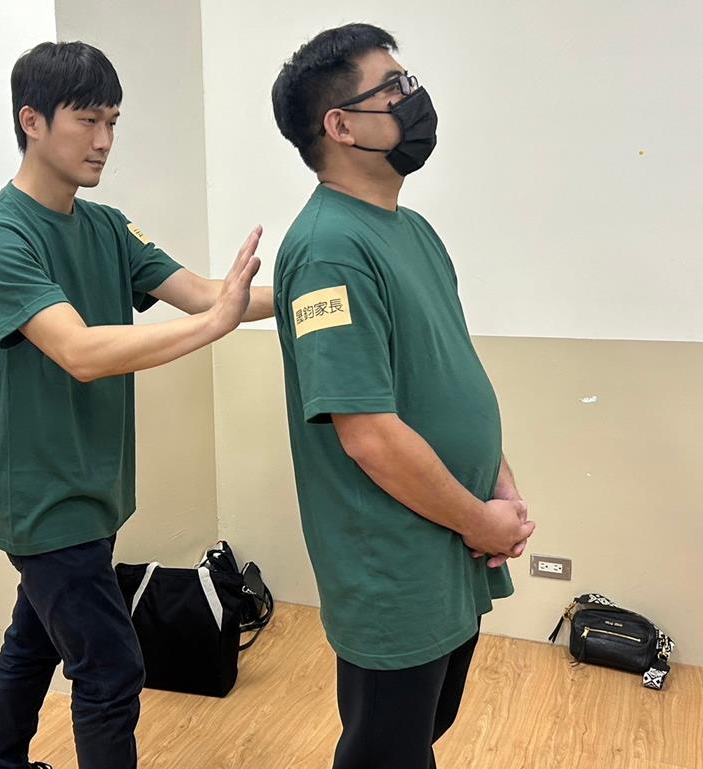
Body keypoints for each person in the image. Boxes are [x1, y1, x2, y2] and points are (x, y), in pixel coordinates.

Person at [0, 40, 272, 769]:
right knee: (110, 670)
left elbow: (206, 295)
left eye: (113, 123)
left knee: (34, 637)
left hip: (96, 489)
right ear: (32, 121)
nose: (104, 141)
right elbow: (79, 351)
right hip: (43, 498)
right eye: (87, 121)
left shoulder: (108, 226)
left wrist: (316, 286)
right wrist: (214, 325)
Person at [270, 23, 535, 769]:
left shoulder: (412, 231)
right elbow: (368, 435)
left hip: (453, 541)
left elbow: (449, 375)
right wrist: (481, 519)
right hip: (392, 564)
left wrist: (501, 487)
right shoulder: (328, 249)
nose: (413, 97)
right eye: (393, 88)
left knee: (422, 732)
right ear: (340, 125)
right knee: (385, 750)